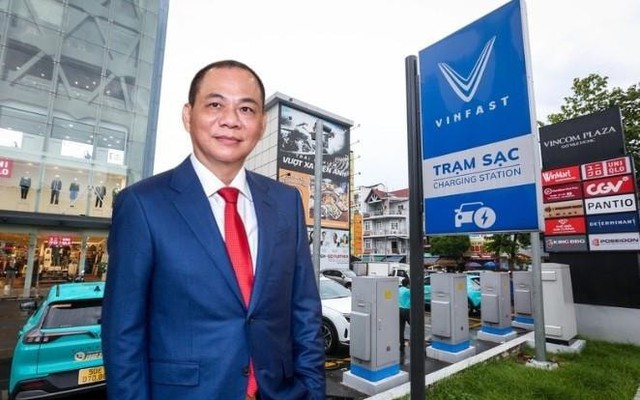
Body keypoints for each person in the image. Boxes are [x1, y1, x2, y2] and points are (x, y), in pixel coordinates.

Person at [102, 60, 325, 400]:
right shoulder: (142, 205)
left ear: (261, 125)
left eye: (246, 109)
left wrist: (313, 391)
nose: (231, 120)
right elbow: (123, 333)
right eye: (215, 104)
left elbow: (304, 310)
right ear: (188, 115)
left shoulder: (286, 202)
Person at [398, 277, 411, 355]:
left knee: (401, 328)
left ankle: (402, 345)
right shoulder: (408, 291)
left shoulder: (398, 290)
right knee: (415, 327)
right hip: (407, 310)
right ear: (408, 284)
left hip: (399, 310)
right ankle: (415, 342)